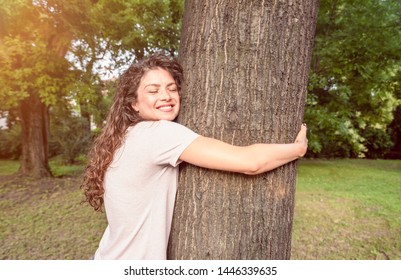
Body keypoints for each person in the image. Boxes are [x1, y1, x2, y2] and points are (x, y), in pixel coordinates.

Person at [81, 53, 308, 260]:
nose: (166, 96)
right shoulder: (158, 133)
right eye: (153, 90)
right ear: (134, 104)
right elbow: (250, 162)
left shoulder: (126, 135)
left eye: (172, 88)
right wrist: (297, 149)